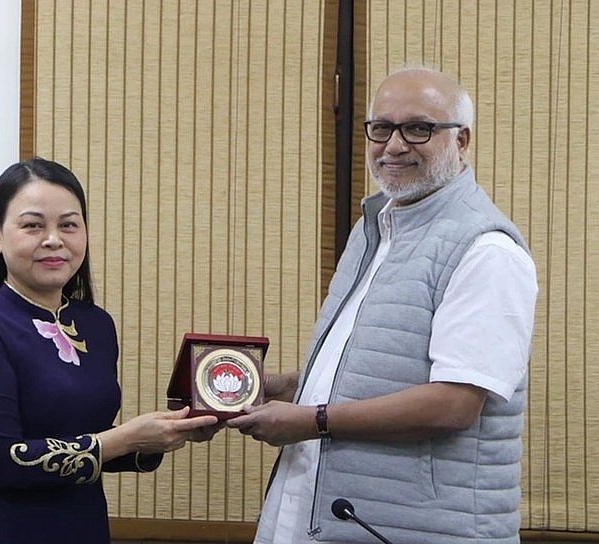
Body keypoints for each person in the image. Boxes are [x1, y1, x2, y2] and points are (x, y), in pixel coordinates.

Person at [227, 67, 538, 544]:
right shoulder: (376, 227)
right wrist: (290, 387)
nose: (394, 145)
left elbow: (454, 404)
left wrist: (312, 420)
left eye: (418, 128)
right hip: (324, 514)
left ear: (462, 140)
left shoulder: (486, 250)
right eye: (381, 128)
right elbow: (379, 369)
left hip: (417, 528)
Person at [0, 158, 220, 543]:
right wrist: (126, 438)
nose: (54, 239)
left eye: (68, 224)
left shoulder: (96, 325)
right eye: (33, 225)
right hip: (6, 527)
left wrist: (165, 435)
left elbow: (87, 443)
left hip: (83, 524)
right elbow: (4, 462)